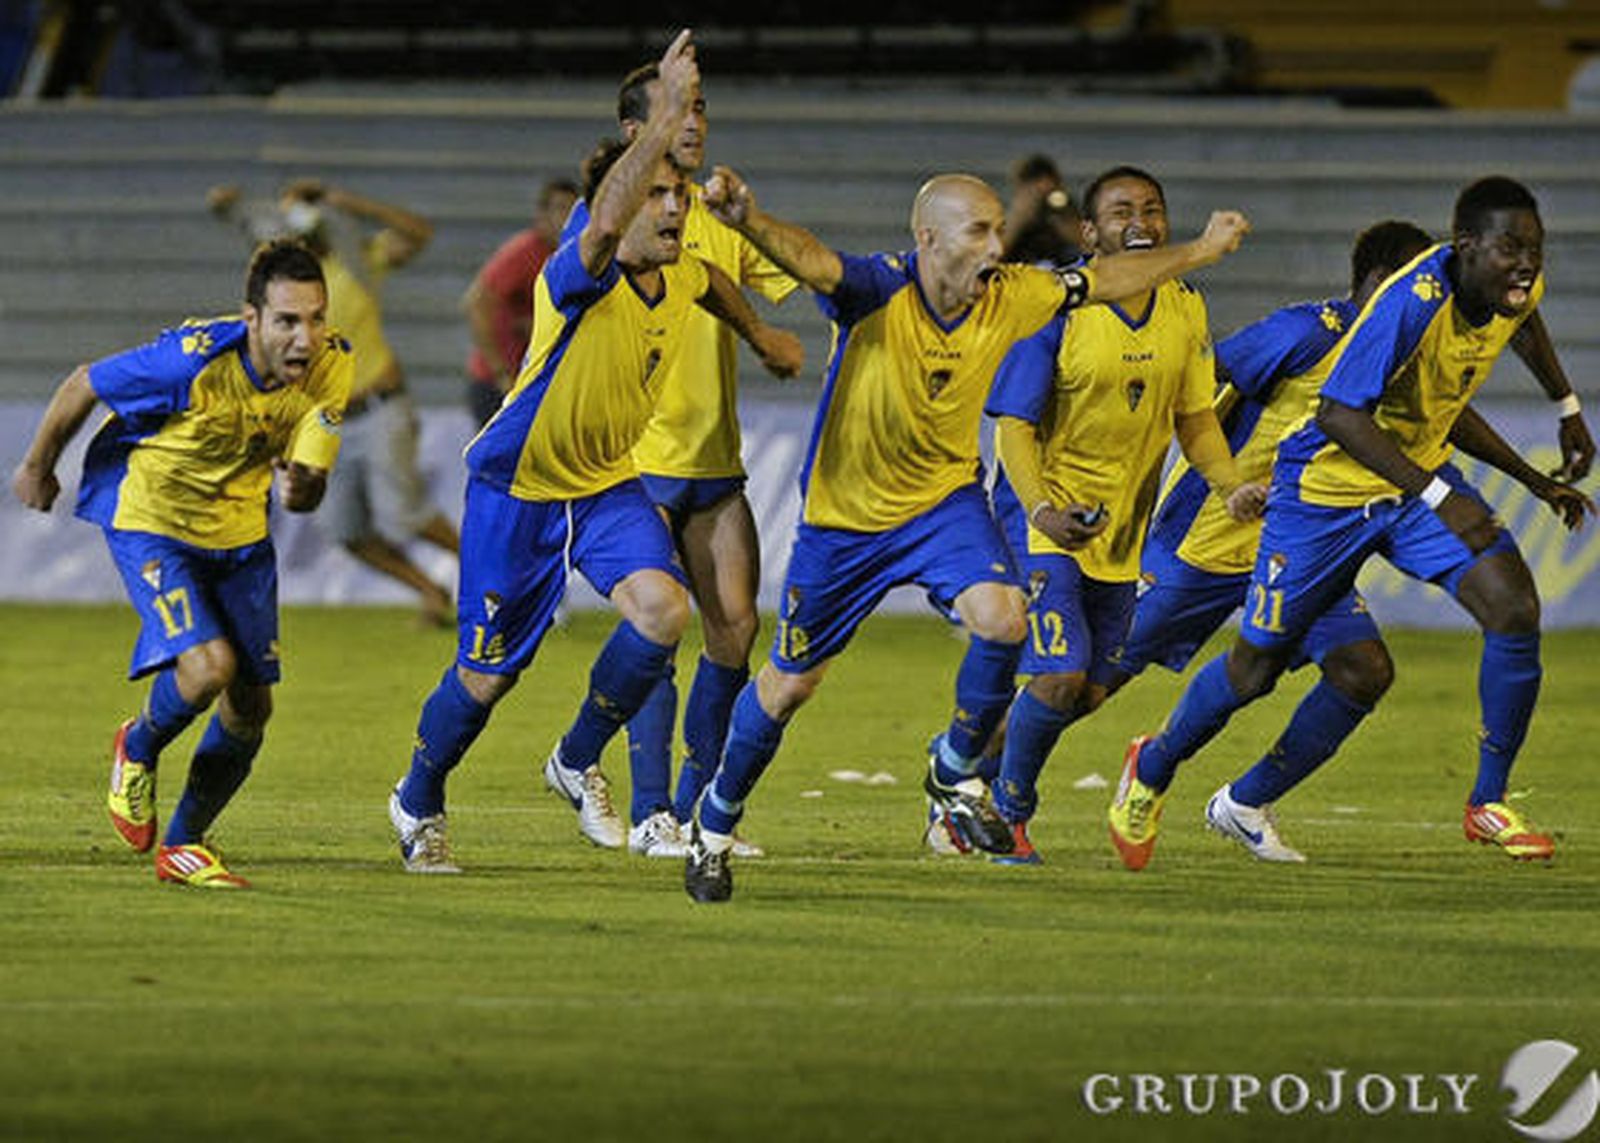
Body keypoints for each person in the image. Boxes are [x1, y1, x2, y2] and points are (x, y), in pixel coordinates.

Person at [681, 161, 1251, 902]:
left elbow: (1105, 279)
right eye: (978, 231)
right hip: (844, 523)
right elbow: (812, 261)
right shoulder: (876, 289)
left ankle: (954, 771)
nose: (995, 246)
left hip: (943, 504)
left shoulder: (1015, 295)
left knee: (1006, 618)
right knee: (790, 685)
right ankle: (715, 821)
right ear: (928, 239)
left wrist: (1202, 251)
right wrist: (748, 221)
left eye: (997, 229)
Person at [384, 30, 801, 874]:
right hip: (520, 485)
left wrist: (760, 334)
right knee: (487, 676)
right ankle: (417, 798)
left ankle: (575, 758)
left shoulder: (678, 269)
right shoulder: (582, 267)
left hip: (607, 482)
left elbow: (713, 283)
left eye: (679, 196)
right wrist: (667, 111)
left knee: (663, 610)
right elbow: (607, 217)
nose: (675, 210)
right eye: (658, 196)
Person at [1118, 176, 1595, 866]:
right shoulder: (1411, 304)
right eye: (1511, 249)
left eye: (1535, 248)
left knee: (1511, 607)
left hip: (1408, 486)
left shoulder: (1512, 286)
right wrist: (1441, 496)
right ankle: (1153, 764)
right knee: (1255, 666)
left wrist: (1566, 409)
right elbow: (1339, 415)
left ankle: (1485, 802)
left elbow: (1520, 327)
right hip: (1324, 495)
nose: (1526, 264)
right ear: (1465, 246)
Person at [9, 240, 353, 888]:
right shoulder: (189, 362)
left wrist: (307, 486)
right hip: (154, 524)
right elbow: (85, 381)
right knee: (209, 668)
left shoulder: (333, 365)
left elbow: (306, 486)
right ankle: (137, 744)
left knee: (250, 707)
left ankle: (183, 844)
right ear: (251, 319)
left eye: (315, 318)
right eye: (287, 320)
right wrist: (37, 465)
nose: (305, 338)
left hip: (241, 535)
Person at [1101, 219, 1435, 871]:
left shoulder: (1406, 360)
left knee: (1362, 669)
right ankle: (973, 779)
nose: (1432, 301)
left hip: (1303, 544)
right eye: (1420, 285)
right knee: (1086, 678)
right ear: (1382, 282)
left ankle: (1240, 801)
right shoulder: (1308, 332)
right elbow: (1198, 379)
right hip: (1207, 534)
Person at [972, 166, 1266, 865]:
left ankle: (960, 773)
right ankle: (1007, 814)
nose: (1141, 222)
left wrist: (1229, 485)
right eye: (1122, 211)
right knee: (1060, 673)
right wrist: (1042, 508)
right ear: (1089, 232)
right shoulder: (1056, 307)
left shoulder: (1184, 306)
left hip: (1120, 530)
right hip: (1042, 517)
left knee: (1091, 690)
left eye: (1152, 209)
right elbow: (1013, 426)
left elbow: (1195, 417)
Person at [599, 56, 802, 859]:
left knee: (736, 628)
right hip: (637, 459)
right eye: (676, 107)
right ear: (635, 130)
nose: (693, 122)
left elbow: (785, 276)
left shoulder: (712, 213)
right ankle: (650, 810)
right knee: (656, 629)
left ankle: (697, 810)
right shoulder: (610, 216)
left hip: (715, 458)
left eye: (700, 107)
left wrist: (752, 227)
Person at [209, 179, 460, 626]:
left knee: (404, 515)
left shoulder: (356, 263)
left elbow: (418, 232)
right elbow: (246, 224)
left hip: (379, 408)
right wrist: (231, 208)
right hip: (323, 423)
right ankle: (430, 591)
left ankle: (495, 578)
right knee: (346, 530)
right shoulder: (280, 295)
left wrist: (350, 201)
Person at [461, 177, 580, 429]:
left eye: (573, 210)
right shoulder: (524, 252)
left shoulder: (572, 256)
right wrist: (501, 373)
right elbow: (476, 304)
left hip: (536, 385)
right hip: (500, 384)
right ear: (541, 215)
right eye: (560, 209)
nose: (567, 218)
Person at [1002, 153, 1081, 267]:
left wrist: (1064, 220)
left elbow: (1086, 248)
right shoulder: (1015, 214)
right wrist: (1018, 219)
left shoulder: (1065, 209)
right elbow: (996, 255)